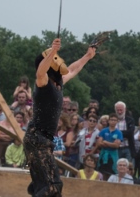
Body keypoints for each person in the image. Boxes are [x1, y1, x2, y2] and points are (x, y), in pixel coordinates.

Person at [24, 38, 96, 197]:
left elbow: (73, 70)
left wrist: (87, 56)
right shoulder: (43, 84)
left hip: (42, 140)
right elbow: (40, 72)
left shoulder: (57, 84)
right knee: (52, 185)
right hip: (37, 138)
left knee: (45, 185)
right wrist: (52, 52)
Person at [97, 113, 123, 178]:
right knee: (102, 173)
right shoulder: (103, 131)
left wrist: (106, 142)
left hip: (113, 156)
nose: (113, 121)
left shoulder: (119, 132)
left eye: (115, 120)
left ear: (117, 121)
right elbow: (99, 143)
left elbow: (116, 145)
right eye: (111, 120)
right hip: (103, 155)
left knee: (112, 174)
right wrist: (111, 144)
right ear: (108, 121)